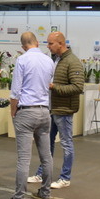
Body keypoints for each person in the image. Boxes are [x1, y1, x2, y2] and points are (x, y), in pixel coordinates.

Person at [2, 32, 54, 199]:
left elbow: (15, 91)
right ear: (37, 43)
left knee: (24, 159)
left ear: (23, 46)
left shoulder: (22, 60)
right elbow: (48, 86)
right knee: (46, 157)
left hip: (26, 111)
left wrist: (13, 112)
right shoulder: (49, 61)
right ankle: (45, 193)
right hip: (44, 111)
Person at [29, 31, 84, 189]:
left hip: (64, 110)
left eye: (50, 43)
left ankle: (65, 178)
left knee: (66, 144)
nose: (48, 46)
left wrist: (54, 87)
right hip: (51, 109)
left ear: (61, 43)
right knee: (47, 143)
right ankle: (42, 173)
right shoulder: (54, 60)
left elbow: (78, 87)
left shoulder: (73, 62)